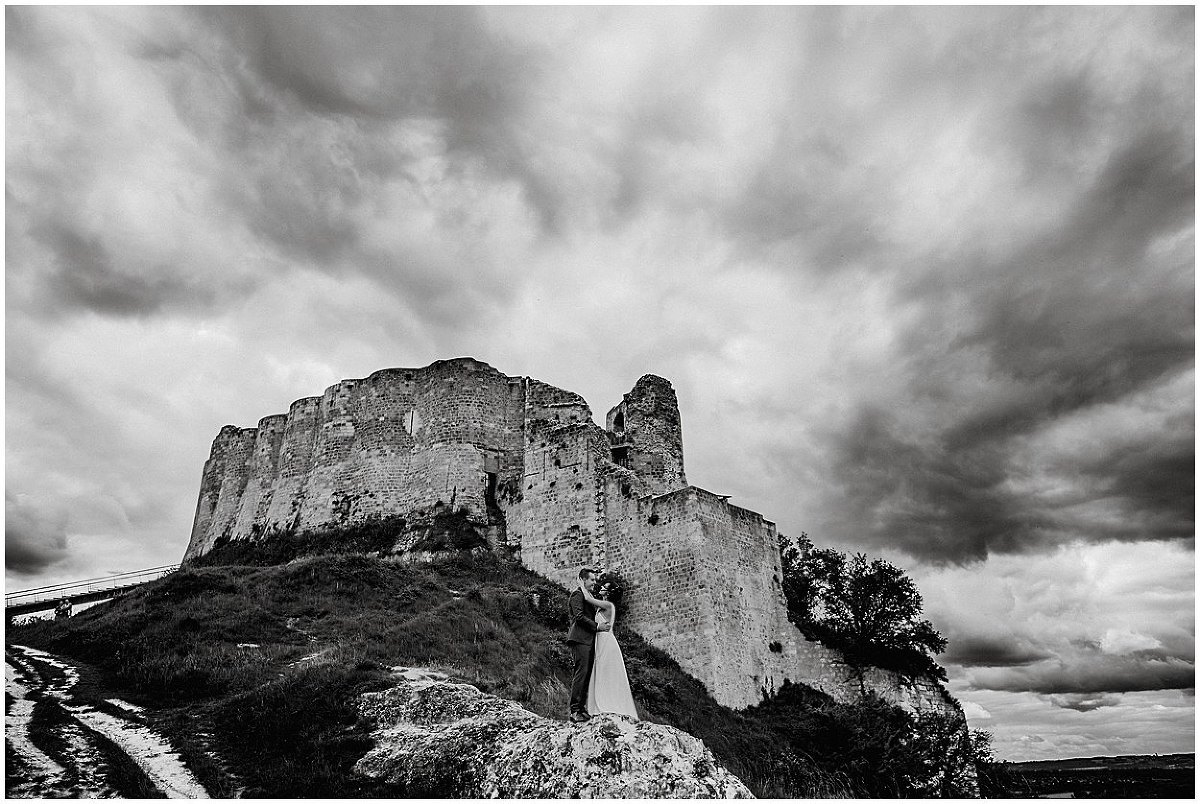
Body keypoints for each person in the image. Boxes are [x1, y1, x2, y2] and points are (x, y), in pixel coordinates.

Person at [582, 580, 638, 719]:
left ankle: (608, 704)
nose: (600, 587)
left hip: (606, 641)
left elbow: (588, 598)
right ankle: (600, 703)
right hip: (601, 640)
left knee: (605, 670)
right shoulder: (603, 607)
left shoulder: (608, 605)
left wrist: (581, 585)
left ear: (608, 593)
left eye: (604, 587)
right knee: (601, 670)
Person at [566, 566, 609, 722]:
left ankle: (581, 708)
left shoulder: (588, 596)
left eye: (595, 580)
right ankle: (575, 710)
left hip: (588, 640)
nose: (594, 582)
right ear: (583, 580)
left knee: (586, 674)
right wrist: (598, 627)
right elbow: (579, 617)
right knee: (581, 673)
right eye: (592, 579)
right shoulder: (577, 595)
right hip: (579, 639)